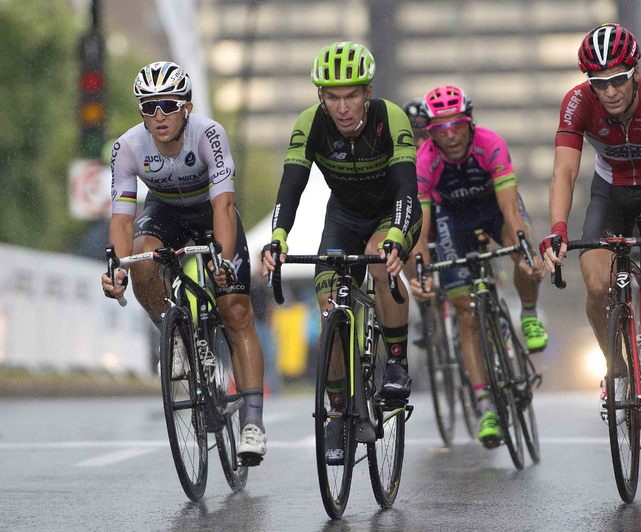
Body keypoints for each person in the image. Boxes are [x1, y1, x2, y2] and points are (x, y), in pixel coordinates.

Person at [261, 42, 421, 464]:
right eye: (333, 96)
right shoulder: (310, 124)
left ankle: (398, 363)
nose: (343, 107)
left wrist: (399, 239)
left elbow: (407, 187)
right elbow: (291, 186)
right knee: (329, 303)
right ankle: (338, 413)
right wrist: (278, 236)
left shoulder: (392, 118)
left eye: (351, 95)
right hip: (343, 218)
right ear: (320, 97)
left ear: (367, 92)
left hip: (392, 212)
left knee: (378, 255)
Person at [100, 61, 267, 463]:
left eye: (168, 104)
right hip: (166, 212)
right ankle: (175, 337)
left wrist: (222, 262)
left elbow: (224, 205)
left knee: (235, 309)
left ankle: (252, 422)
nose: (159, 115)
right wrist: (118, 268)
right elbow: (122, 218)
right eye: (149, 105)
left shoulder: (209, 134)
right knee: (141, 257)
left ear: (186, 106)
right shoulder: (127, 147)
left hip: (212, 211)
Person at [539, 23, 641, 420]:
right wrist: (557, 228)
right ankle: (618, 372)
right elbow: (564, 173)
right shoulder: (577, 102)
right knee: (594, 283)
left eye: (618, 80)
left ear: (635, 73)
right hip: (610, 195)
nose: (609, 91)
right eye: (599, 82)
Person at [409, 84, 548, 448]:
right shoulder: (425, 161)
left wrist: (524, 249)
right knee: (466, 313)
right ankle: (486, 404)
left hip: (494, 208)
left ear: (470, 122)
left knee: (521, 249)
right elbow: (420, 231)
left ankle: (529, 314)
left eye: (457, 125)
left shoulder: (491, 144)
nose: (450, 135)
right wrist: (421, 267)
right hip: (452, 219)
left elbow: (511, 212)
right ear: (430, 132)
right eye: (440, 129)